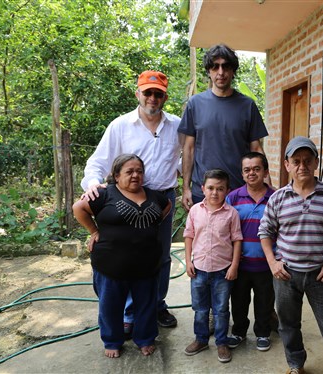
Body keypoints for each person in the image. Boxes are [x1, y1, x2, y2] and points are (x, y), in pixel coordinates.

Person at [80, 70, 181, 332]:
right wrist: (93, 185)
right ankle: (128, 313)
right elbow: (98, 162)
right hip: (127, 200)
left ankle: (156, 304)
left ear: (165, 97)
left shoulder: (177, 126)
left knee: (160, 255)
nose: (152, 98)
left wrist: (181, 172)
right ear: (137, 93)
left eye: (158, 94)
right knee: (127, 255)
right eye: (147, 92)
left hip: (162, 200)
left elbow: (185, 158)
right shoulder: (121, 126)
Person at [258, 136, 323, 374]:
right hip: (286, 275)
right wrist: (272, 263)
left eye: (307, 160)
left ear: (315, 163)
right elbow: (265, 232)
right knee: (288, 325)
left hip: (319, 275)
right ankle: (295, 365)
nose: (302, 166)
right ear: (287, 165)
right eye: (296, 161)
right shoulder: (278, 198)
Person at [73, 154, 172, 358]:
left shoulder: (155, 196)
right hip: (111, 266)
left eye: (139, 171)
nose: (135, 175)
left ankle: (145, 339)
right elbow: (78, 208)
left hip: (147, 265)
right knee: (110, 306)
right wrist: (94, 231)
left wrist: (149, 228)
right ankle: (112, 341)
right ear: (116, 176)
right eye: (129, 172)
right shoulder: (103, 194)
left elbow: (167, 206)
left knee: (145, 305)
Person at [178, 43, 269, 212]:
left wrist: (267, 186)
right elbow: (188, 149)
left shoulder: (247, 105)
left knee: (240, 238)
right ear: (208, 71)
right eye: (215, 67)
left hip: (240, 192)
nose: (221, 72)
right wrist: (186, 188)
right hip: (204, 191)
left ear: (233, 71)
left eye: (226, 66)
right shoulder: (195, 104)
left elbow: (256, 148)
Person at [183, 169, 243, 363]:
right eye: (210, 188)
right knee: (200, 309)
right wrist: (188, 261)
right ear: (203, 189)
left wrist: (234, 265)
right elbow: (189, 235)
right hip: (199, 269)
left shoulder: (231, 214)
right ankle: (200, 339)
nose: (214, 193)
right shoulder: (195, 211)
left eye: (220, 189)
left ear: (227, 190)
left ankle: (221, 342)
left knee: (221, 309)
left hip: (222, 271)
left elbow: (237, 240)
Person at [225, 152, 276, 352]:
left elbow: (281, 230)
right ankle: (238, 332)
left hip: (265, 263)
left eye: (256, 169)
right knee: (239, 300)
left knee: (264, 301)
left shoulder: (275, 197)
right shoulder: (233, 198)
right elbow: (225, 229)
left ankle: (263, 333)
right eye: (247, 170)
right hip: (240, 263)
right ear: (242, 173)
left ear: (265, 172)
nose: (251, 173)